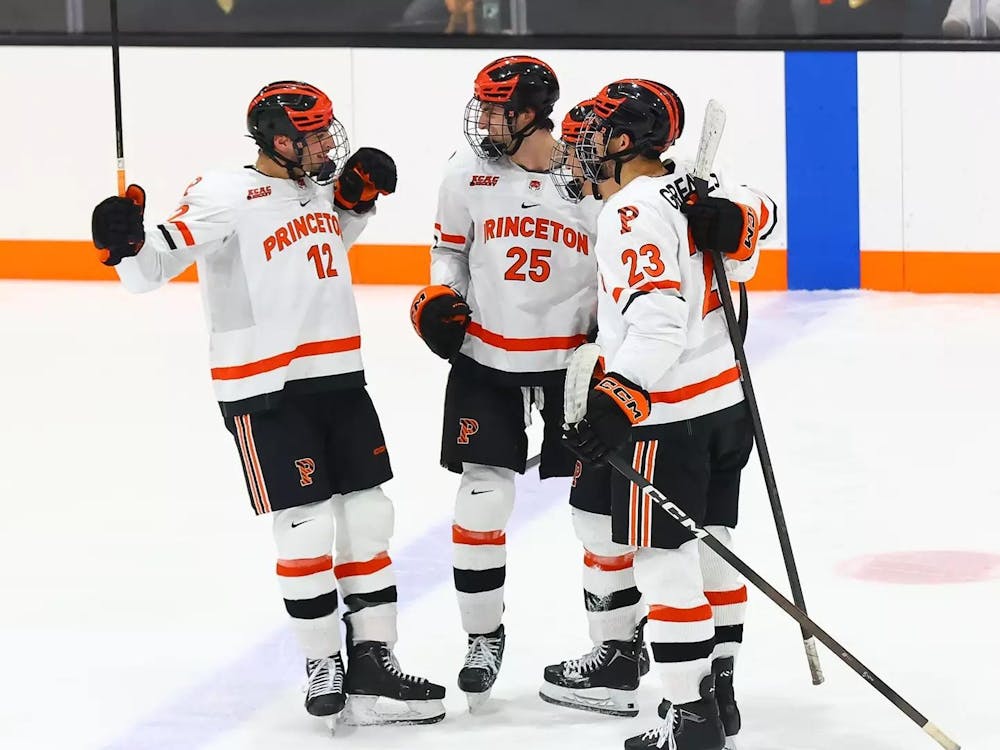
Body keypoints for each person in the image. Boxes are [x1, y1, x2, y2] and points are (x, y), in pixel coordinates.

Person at [89, 80, 446, 729]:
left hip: (339, 375)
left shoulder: (309, 189)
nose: (326, 143)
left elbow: (323, 244)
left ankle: (375, 663)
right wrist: (124, 243)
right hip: (265, 389)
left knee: (369, 517)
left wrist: (357, 203)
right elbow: (149, 270)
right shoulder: (223, 195)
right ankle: (322, 663)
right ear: (281, 141)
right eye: (314, 134)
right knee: (305, 524)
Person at [557, 79, 776, 750]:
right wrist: (739, 222)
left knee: (663, 561)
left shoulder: (626, 214)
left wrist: (617, 400)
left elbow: (656, 325)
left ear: (623, 142)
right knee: (712, 545)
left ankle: (689, 720)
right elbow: (761, 209)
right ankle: (721, 692)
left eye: (593, 134)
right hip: (724, 403)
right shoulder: (690, 187)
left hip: (668, 409)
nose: (581, 149)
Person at [408, 56, 604, 710]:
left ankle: (618, 647)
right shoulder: (463, 172)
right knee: (480, 501)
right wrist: (441, 298)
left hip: (571, 369)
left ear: (528, 114)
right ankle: (481, 639)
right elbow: (449, 253)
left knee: (599, 518)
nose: (484, 119)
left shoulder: (587, 175)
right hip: (486, 357)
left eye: (497, 109)